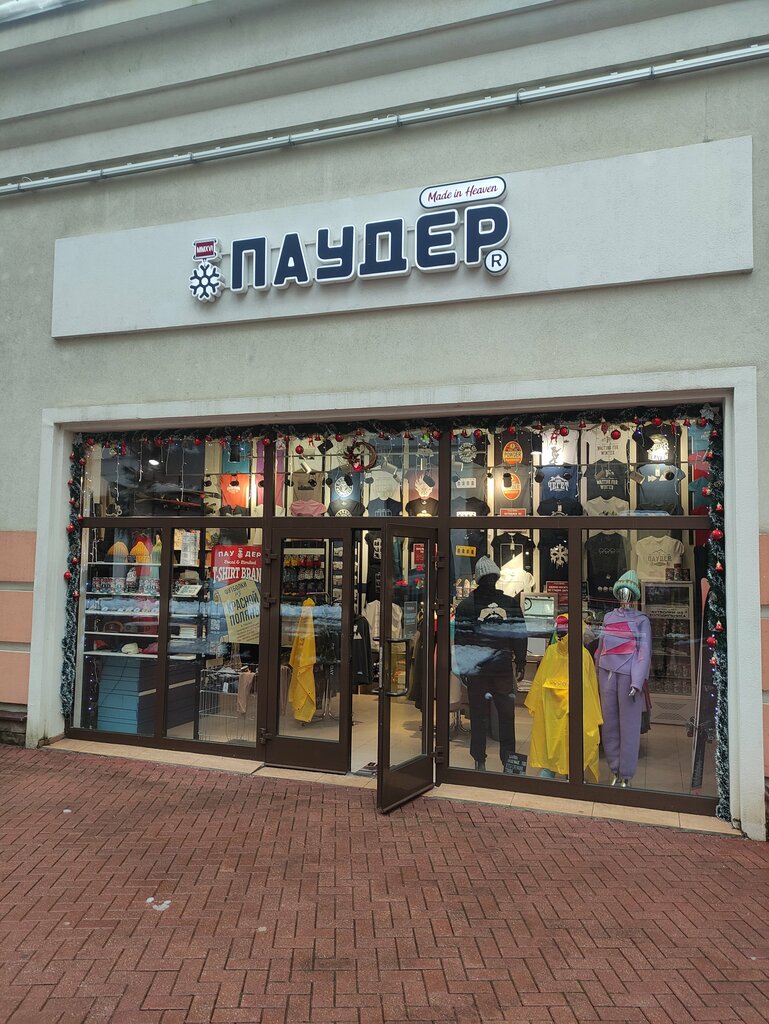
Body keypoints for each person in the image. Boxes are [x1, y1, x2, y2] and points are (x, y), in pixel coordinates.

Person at [454, 556, 527, 771]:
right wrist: (520, 660)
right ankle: (508, 762)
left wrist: (463, 665)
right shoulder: (509, 603)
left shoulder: (467, 605)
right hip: (501, 667)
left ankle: (480, 761)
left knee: (479, 716)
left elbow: (461, 639)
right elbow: (519, 634)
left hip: (478, 668)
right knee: (506, 715)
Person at [525, 613, 603, 782]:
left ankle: (567, 769)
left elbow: (589, 686)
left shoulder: (580, 655)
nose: (561, 635)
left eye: (563, 632)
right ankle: (559, 769)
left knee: (564, 737)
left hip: (565, 707)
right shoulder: (558, 653)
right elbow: (541, 681)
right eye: (559, 632)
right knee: (557, 737)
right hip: (554, 708)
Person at [594, 570, 651, 787]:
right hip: (607, 673)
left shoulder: (641, 620)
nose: (625, 596)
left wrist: (637, 681)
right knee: (609, 723)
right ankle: (614, 768)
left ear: (634, 595)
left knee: (629, 726)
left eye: (629, 592)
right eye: (622, 592)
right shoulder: (608, 617)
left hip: (628, 675)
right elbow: (601, 646)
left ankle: (626, 772)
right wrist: (596, 671)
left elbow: (644, 652)